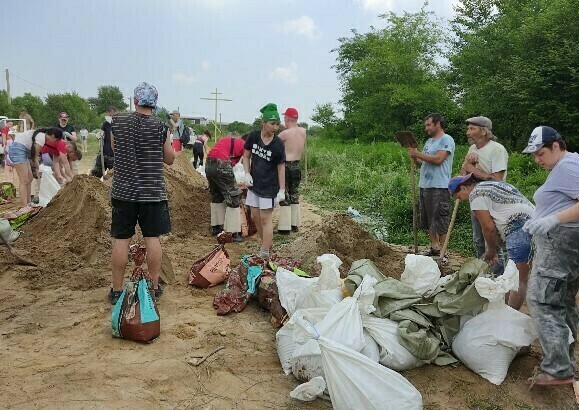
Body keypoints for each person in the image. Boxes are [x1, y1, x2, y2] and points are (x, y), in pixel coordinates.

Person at [521, 126, 579, 386]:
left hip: (561, 243)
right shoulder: (567, 164)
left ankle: (558, 369)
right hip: (566, 243)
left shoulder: (568, 166)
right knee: (563, 303)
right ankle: (567, 363)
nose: (537, 159)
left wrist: (552, 220)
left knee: (541, 300)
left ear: (557, 145)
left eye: (541, 153)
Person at [107, 82, 174, 305]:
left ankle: (116, 290)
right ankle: (153, 288)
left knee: (121, 239)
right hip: (152, 192)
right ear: (154, 103)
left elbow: (116, 149)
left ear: (135, 100)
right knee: (152, 238)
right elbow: (170, 158)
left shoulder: (117, 122)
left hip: (123, 191)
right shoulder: (161, 126)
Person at [448, 173, 534, 309]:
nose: (462, 200)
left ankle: (508, 320)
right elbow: (498, 226)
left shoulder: (475, 195)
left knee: (517, 279)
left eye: (459, 197)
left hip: (519, 228)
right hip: (534, 224)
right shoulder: (491, 186)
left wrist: (491, 251)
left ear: (464, 188)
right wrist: (494, 250)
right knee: (512, 276)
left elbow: (489, 228)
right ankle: (504, 310)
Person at [461, 116, 510, 276]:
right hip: (476, 200)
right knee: (478, 240)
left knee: (493, 241)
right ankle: (483, 274)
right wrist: (468, 165)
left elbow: (497, 179)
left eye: (472, 129)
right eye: (468, 129)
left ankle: (498, 277)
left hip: (492, 202)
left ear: (483, 131)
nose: (467, 132)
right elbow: (464, 175)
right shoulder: (472, 149)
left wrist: (472, 168)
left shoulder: (497, 149)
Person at [407, 113, 455, 264]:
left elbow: (439, 159)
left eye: (428, 125)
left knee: (440, 218)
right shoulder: (429, 141)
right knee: (428, 219)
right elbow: (424, 163)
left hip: (439, 185)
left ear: (438, 124)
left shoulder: (446, 140)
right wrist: (416, 158)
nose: (426, 128)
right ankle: (434, 246)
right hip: (425, 185)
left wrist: (418, 153)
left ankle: (443, 250)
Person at [243, 103, 286, 259]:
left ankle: (265, 252)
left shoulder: (278, 144)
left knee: (265, 218)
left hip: (270, 187)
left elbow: (281, 167)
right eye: (272, 123)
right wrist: (247, 173)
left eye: (277, 124)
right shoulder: (253, 136)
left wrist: (282, 189)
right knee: (255, 217)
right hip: (254, 185)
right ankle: (266, 244)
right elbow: (246, 156)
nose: (275, 127)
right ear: (264, 123)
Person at [206, 133, 247, 242]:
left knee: (217, 196)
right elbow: (249, 162)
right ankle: (232, 233)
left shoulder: (228, 141)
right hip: (221, 163)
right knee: (234, 198)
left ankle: (216, 228)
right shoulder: (244, 144)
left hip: (209, 164)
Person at [10, 128, 66, 208]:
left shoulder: (42, 135)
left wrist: (38, 169)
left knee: (30, 178)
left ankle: (29, 202)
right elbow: (34, 158)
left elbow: (33, 157)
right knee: (24, 180)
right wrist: (39, 169)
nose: (55, 142)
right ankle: (24, 206)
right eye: (56, 140)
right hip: (17, 150)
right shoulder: (41, 138)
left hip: (23, 151)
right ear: (53, 136)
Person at [276, 107, 306, 234]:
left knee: (284, 195)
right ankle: (295, 225)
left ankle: (284, 228)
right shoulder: (303, 131)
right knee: (294, 194)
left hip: (286, 166)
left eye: (285, 118)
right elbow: (293, 131)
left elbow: (274, 143)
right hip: (297, 166)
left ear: (287, 119)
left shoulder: (284, 134)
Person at [91, 106, 117, 178]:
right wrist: (99, 135)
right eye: (110, 113)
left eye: (113, 112)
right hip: (104, 152)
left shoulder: (119, 123)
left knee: (113, 177)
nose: (111, 114)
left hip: (114, 155)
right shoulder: (105, 123)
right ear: (108, 113)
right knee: (95, 174)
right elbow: (101, 133)